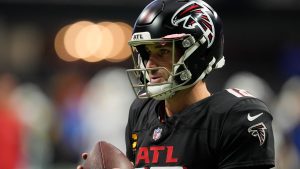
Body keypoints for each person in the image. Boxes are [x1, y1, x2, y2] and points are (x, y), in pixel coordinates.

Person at [78, 0, 275, 168]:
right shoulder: (142, 112)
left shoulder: (237, 117)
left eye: (163, 51)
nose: (150, 65)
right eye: (146, 53)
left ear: (200, 54)